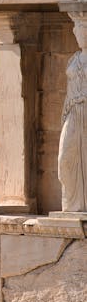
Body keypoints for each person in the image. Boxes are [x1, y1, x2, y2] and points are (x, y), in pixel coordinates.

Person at [58, 16, 87, 212]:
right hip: (72, 110)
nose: (78, 35)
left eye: (82, 30)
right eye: (76, 31)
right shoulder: (73, 59)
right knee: (64, 158)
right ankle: (72, 203)